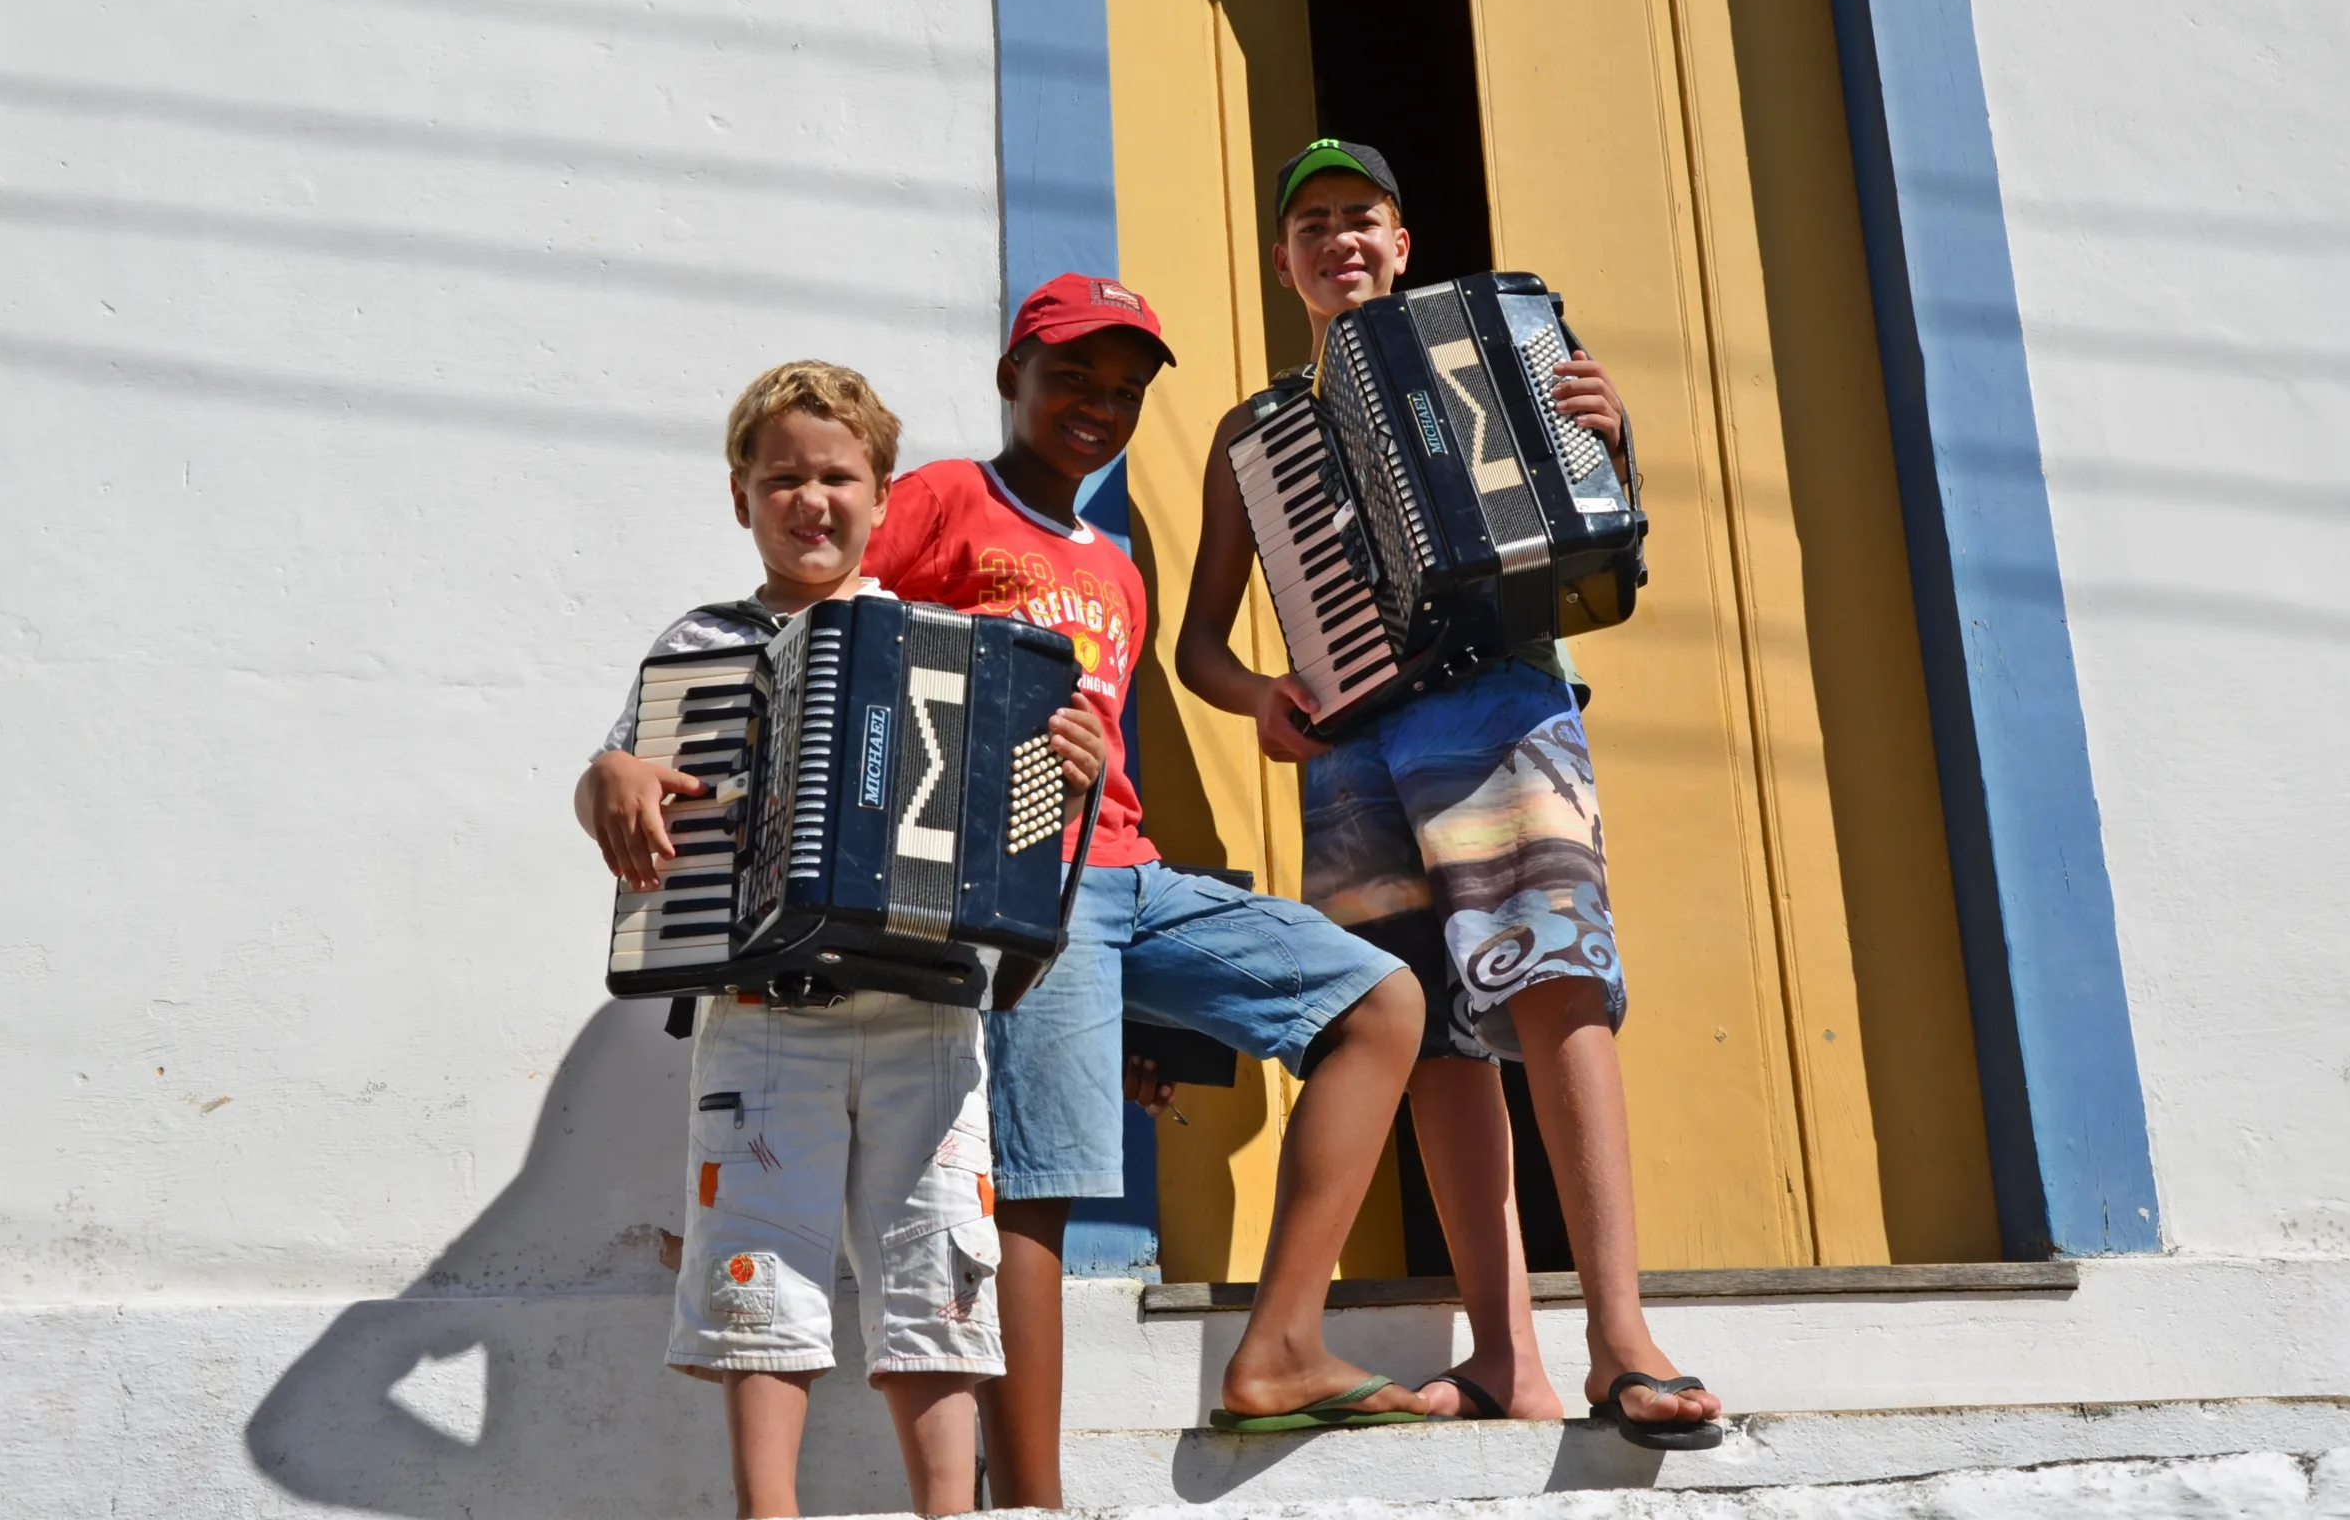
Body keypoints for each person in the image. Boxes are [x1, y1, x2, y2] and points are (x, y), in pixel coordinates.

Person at [1173, 140, 1724, 1451]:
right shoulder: (1256, 434)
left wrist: (1612, 438)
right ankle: (1503, 1357)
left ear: (1402, 242)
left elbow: (1597, 532)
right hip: (1359, 748)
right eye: (1311, 226)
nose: (1338, 242)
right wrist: (1259, 693)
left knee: (1556, 980)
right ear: (1282, 261)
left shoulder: (1503, 343)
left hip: (1499, 702)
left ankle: (1621, 1340)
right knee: (1421, 1036)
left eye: (1360, 218)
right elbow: (1196, 640)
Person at [861, 273, 1433, 1503]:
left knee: (1379, 1001)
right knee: (1046, 1182)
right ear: (1012, 372)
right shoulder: (945, 498)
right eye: (1072, 376)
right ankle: (1033, 1499)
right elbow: (835, 629)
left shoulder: (1118, 567)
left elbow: (1112, 770)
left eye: (1124, 393)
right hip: (1023, 889)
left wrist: (1143, 999)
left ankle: (1277, 1348)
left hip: (1130, 876)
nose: (1097, 405)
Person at [574, 361, 1100, 1517]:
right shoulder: (702, 644)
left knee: (939, 1267)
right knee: (759, 1264)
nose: (810, 500)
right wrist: (607, 776)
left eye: (836, 476)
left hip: (929, 1015)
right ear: (740, 498)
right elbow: (622, 777)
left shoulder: (958, 646)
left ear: (882, 489)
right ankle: (769, 1511)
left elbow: (1023, 834)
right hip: (766, 1012)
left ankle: (946, 1509)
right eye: (782, 480)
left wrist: (1066, 777)